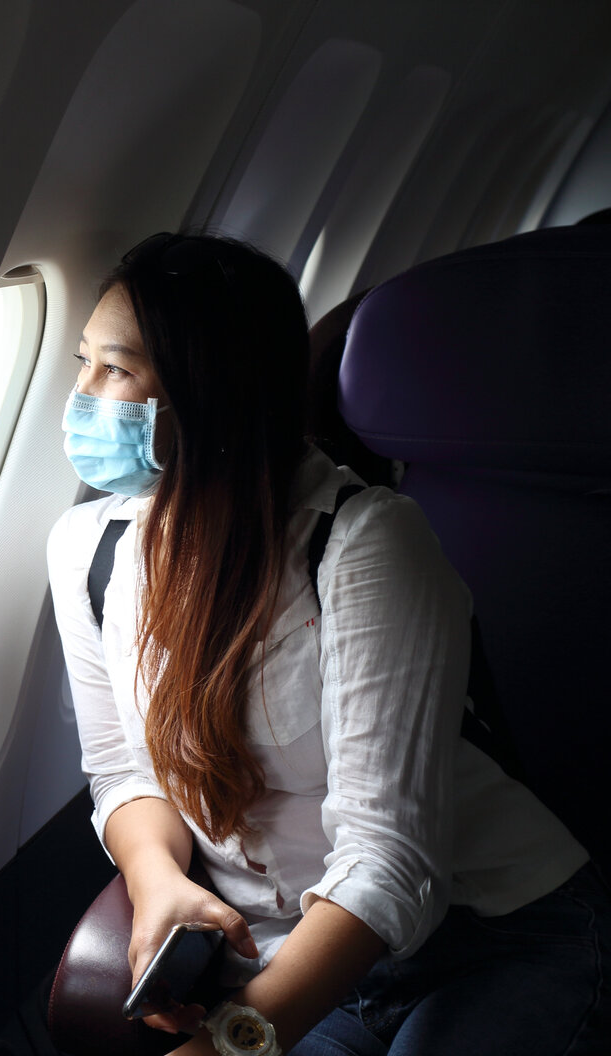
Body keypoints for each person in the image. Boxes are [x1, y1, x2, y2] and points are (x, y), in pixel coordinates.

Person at [47, 231, 609, 1055]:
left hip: (493, 935)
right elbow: (121, 771)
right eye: (83, 362)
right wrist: (158, 880)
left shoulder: (364, 543)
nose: (83, 397)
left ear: (211, 389)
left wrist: (224, 1048)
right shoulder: (89, 551)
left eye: (117, 370)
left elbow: (389, 860)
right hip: (292, 954)